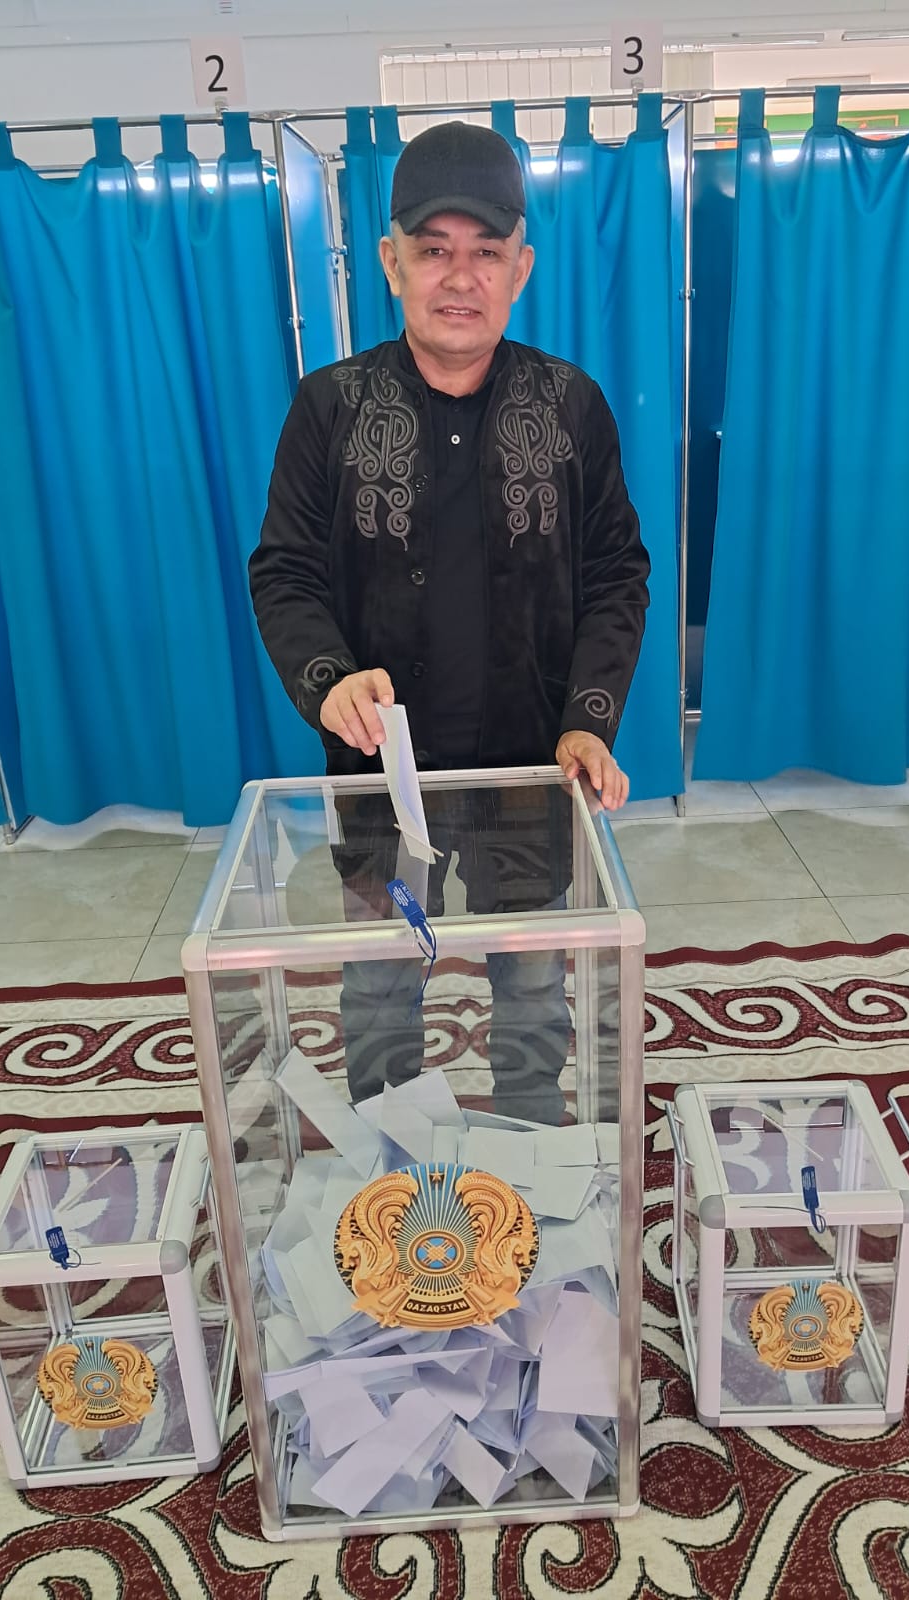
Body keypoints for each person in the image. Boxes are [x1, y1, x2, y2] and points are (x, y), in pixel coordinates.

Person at [249, 120, 649, 1122]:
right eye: (434, 250)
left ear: (522, 268)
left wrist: (589, 719)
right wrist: (328, 679)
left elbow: (617, 573)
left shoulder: (572, 407)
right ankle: (390, 1166)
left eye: (485, 253)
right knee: (381, 991)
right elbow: (285, 571)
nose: (460, 278)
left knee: (534, 993)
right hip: (382, 778)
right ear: (391, 262)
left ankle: (530, 1149)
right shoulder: (330, 409)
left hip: (530, 771)